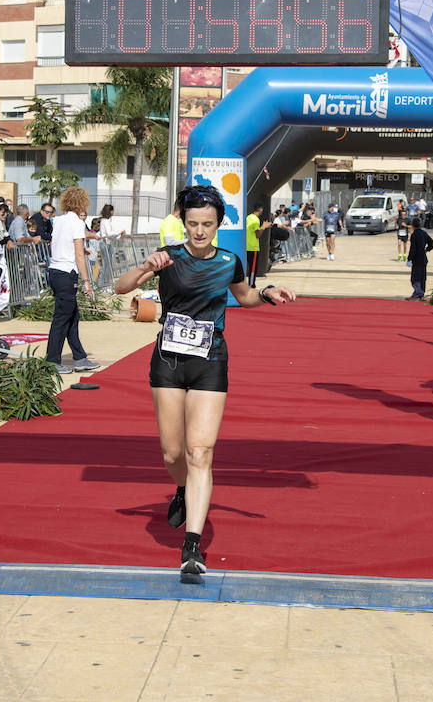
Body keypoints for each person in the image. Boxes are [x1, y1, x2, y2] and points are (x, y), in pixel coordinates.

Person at [111, 184, 297, 576]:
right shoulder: (169, 258)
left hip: (211, 359)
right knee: (172, 454)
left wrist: (265, 292)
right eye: (193, 223)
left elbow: (243, 297)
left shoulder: (230, 260)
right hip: (169, 361)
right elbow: (121, 288)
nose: (199, 231)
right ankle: (181, 488)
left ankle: (191, 548)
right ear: (183, 222)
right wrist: (147, 267)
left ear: (218, 224)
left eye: (207, 224)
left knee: (201, 453)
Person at [46, 186, 100, 376]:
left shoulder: (58, 220)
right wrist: (87, 281)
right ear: (82, 203)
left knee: (71, 316)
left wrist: (76, 250)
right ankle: (52, 360)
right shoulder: (77, 222)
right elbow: (78, 255)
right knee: (61, 319)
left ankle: (79, 357)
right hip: (67, 273)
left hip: (54, 271)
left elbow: (56, 243)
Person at [406, 216, 433, 300]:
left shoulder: (414, 234)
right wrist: (427, 249)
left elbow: (413, 248)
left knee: (415, 277)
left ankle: (417, 293)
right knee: (422, 277)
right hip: (423, 257)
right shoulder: (423, 233)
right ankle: (421, 293)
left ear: (412, 225)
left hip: (416, 259)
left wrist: (409, 258)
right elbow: (432, 242)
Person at [244, 202, 270, 287]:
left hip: (246, 246)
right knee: (253, 268)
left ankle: (249, 284)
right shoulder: (255, 220)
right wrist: (264, 226)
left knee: (247, 266)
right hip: (253, 247)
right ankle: (251, 285)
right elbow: (258, 234)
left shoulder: (248, 217)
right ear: (260, 209)